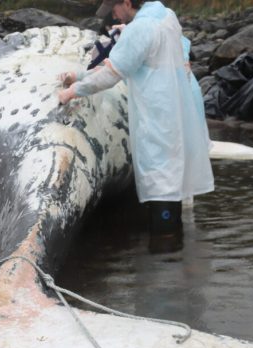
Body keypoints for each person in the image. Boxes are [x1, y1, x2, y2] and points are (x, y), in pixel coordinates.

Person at [58, 0, 214, 239]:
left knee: (162, 187)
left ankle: (165, 259)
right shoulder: (165, 15)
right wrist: (79, 75)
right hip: (177, 114)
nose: (113, 16)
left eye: (114, 9)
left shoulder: (140, 29)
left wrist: (72, 91)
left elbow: (112, 74)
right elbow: (127, 65)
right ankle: (176, 254)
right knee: (173, 184)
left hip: (157, 119)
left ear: (127, 2)